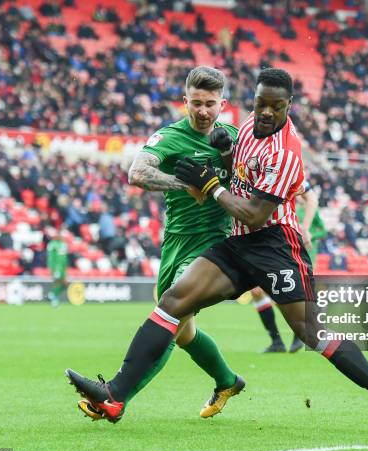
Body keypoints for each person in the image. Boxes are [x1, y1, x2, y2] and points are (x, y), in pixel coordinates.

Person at [65, 68, 368, 435]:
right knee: (173, 302)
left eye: (276, 107)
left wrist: (212, 186)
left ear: (289, 106)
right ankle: (114, 395)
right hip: (237, 243)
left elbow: (254, 214)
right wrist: (226, 152)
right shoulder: (248, 124)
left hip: (276, 244)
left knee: (311, 333)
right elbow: (239, 169)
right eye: (260, 103)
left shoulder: (286, 152)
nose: (266, 113)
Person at [76, 66, 244, 422]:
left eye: (210, 104)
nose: (202, 111)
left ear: (223, 104)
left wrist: (230, 159)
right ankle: (227, 381)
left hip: (215, 244)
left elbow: (252, 181)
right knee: (183, 333)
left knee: (173, 319)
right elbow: (137, 172)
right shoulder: (170, 137)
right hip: (176, 243)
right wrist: (185, 185)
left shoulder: (233, 136)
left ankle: (116, 398)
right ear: (184, 101)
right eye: (195, 103)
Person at [253, 185, 325, 353]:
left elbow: (322, 229)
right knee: (259, 291)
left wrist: (308, 232)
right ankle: (276, 340)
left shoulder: (307, 209)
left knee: (288, 294)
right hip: (267, 245)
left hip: (299, 251)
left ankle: (298, 337)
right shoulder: (280, 201)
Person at [46, 228, 68, 307]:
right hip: (56, 268)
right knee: (57, 282)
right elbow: (50, 258)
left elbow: (65, 257)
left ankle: (52, 295)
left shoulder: (64, 244)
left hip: (63, 268)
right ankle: (54, 300)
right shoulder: (52, 244)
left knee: (64, 284)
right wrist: (52, 268)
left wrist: (65, 267)